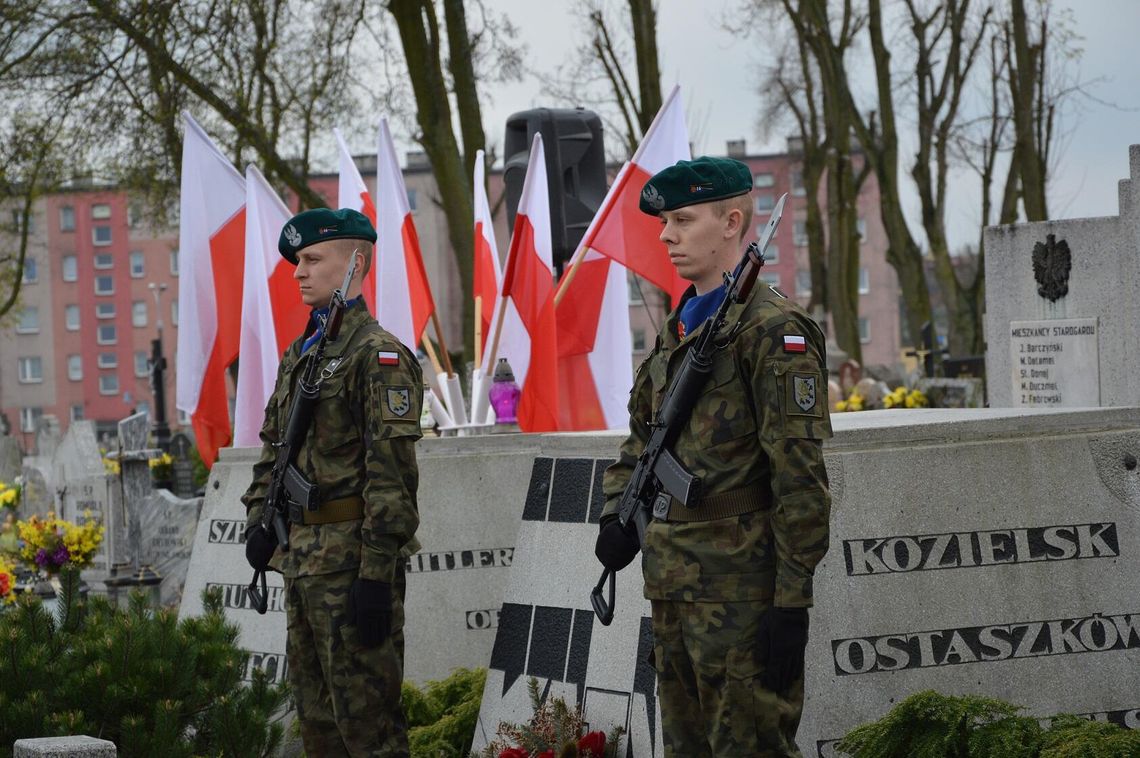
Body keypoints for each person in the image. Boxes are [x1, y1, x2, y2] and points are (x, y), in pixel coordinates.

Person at [594, 157, 832, 757]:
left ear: (732, 222)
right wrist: (615, 514)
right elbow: (641, 442)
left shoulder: (775, 333)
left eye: (682, 219)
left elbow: (800, 479)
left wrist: (792, 602)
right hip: (673, 588)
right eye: (664, 222)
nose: (665, 235)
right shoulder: (679, 331)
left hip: (742, 597)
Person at [242, 207, 423, 757]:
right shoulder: (302, 355)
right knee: (317, 725)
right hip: (302, 563)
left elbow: (391, 480)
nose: (299, 272)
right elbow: (274, 450)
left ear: (356, 264)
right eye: (298, 261)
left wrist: (375, 577)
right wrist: (259, 521)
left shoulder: (379, 356)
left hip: (350, 568)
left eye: (313, 259)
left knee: (368, 730)